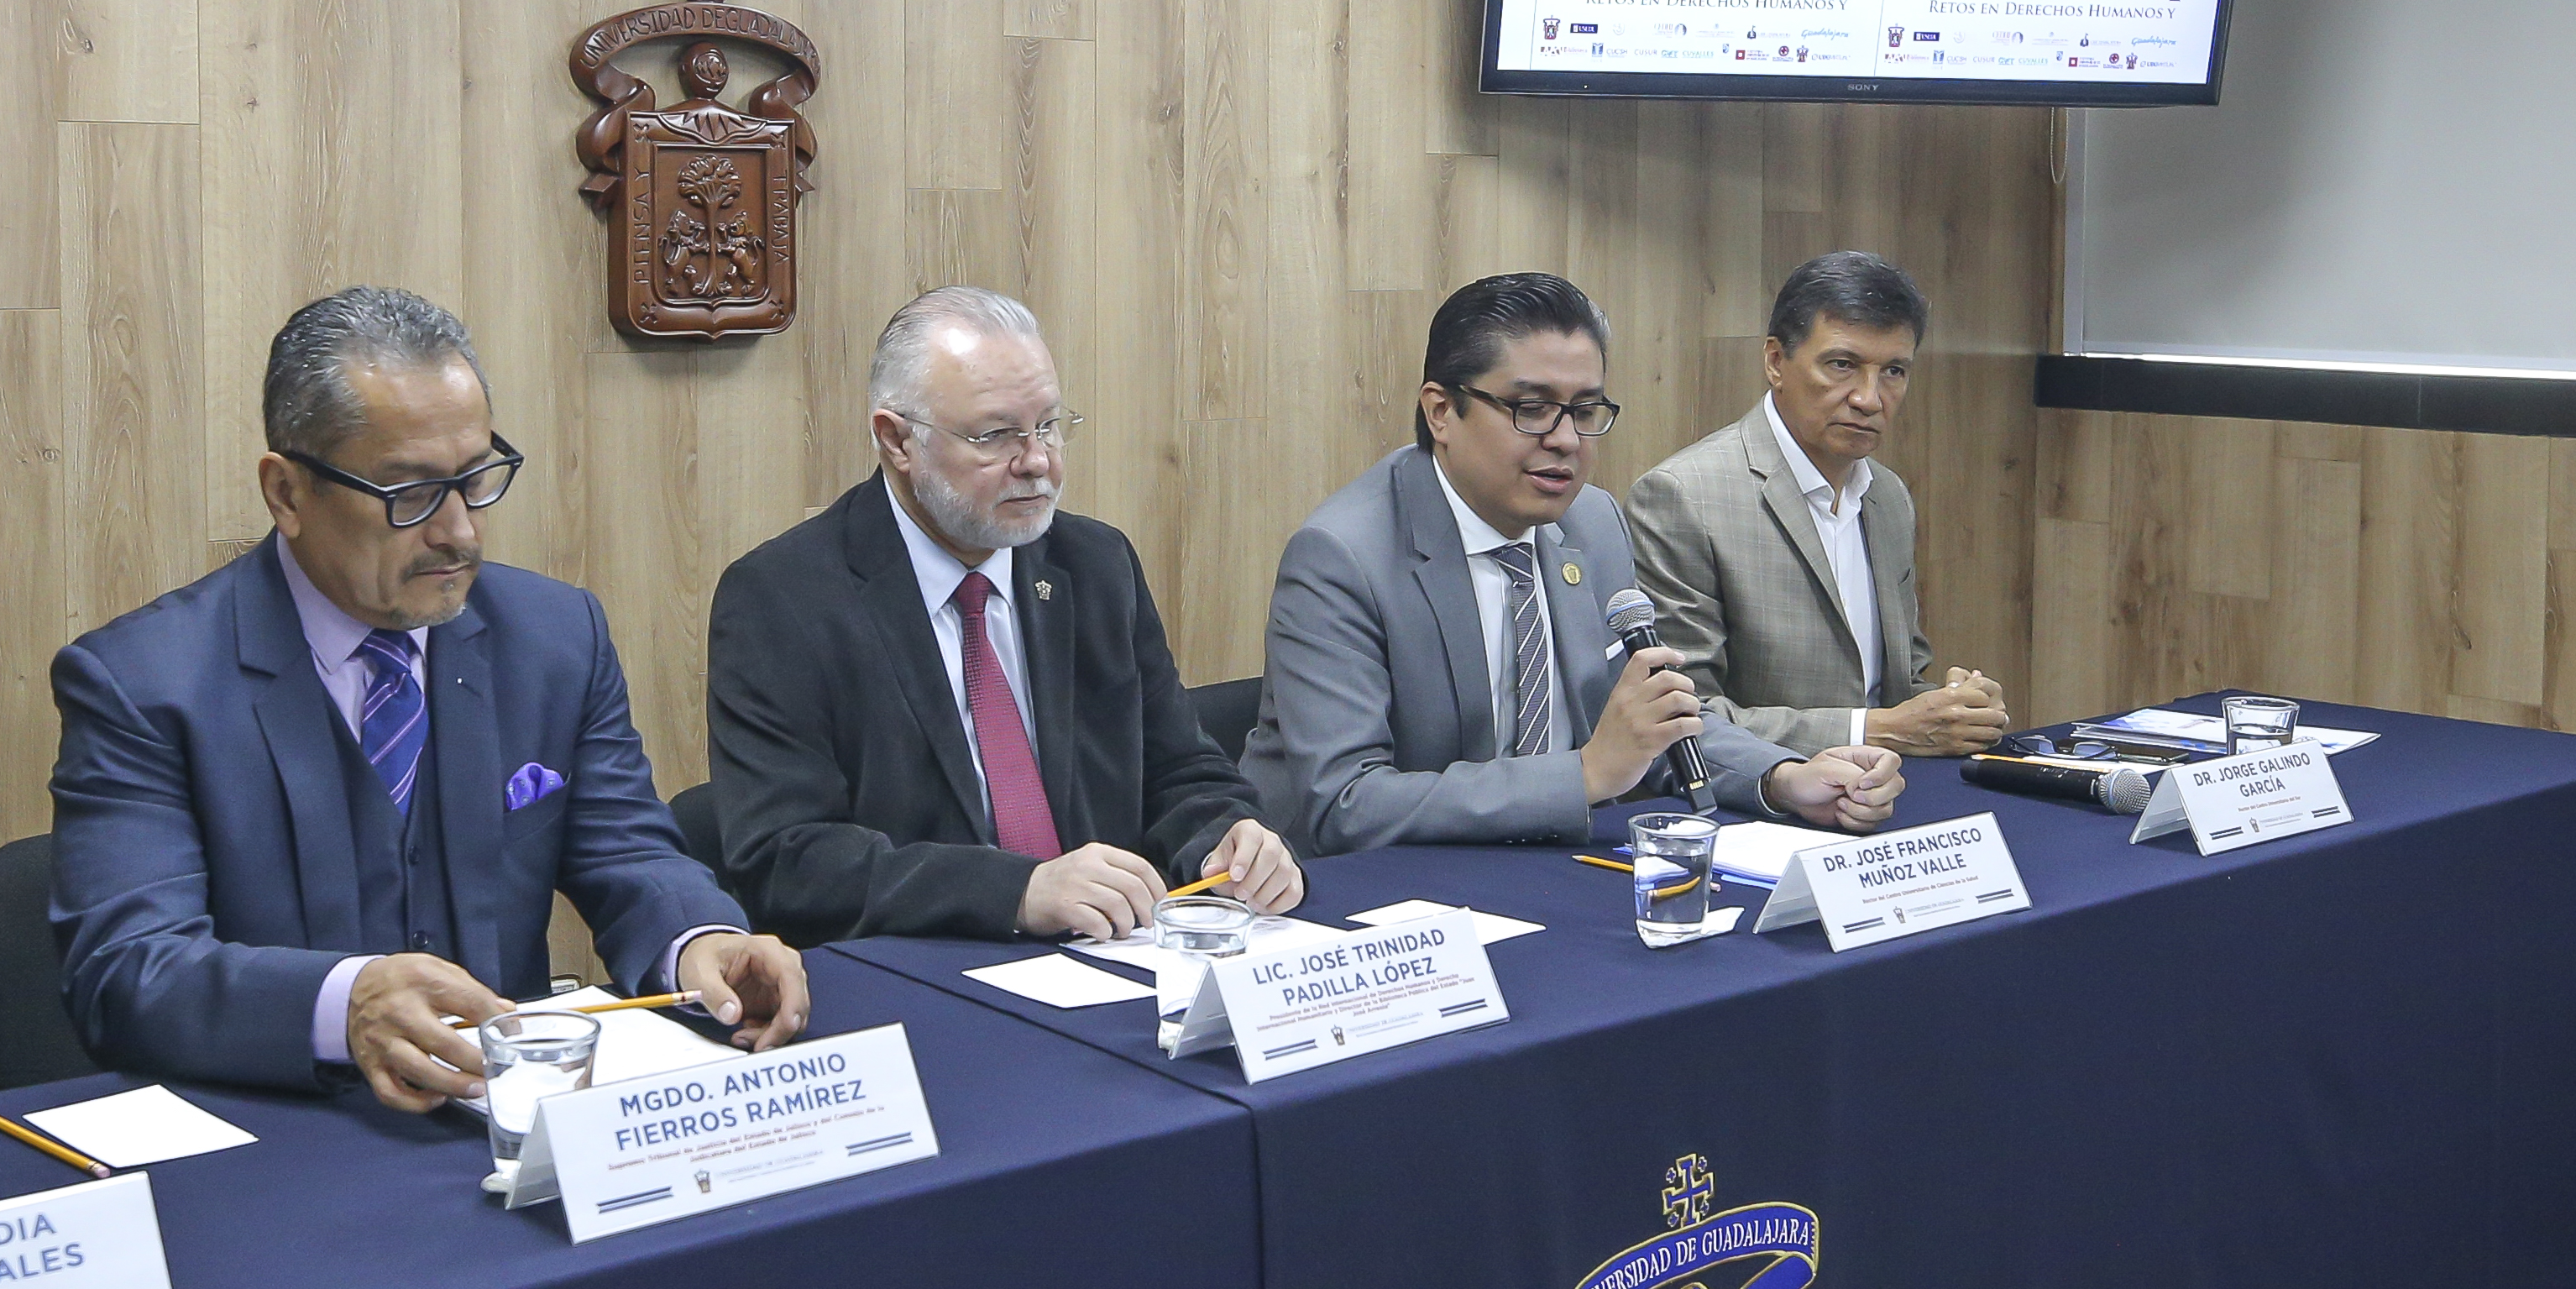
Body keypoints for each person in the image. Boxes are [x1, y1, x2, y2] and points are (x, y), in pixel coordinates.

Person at [50, 287, 804, 1109]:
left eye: (477, 478)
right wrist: (343, 1006)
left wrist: (701, 938)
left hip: (503, 1117)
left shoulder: (553, 637)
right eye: (409, 495)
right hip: (272, 1130)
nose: (461, 533)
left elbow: (626, 849)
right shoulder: (145, 683)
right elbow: (128, 971)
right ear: (287, 494)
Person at [707, 287, 1304, 946]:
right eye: (995, 436)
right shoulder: (782, 601)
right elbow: (786, 859)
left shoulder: (1094, 565)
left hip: (1114, 963)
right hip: (923, 980)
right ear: (896, 440)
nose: (1039, 462)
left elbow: (1179, 771)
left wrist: (1230, 841)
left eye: (1048, 425)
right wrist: (1017, 893)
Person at [1240, 273, 1905, 854]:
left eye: (1585, 411)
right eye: (1531, 410)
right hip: (1377, 902)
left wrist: (1783, 778)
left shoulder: (1593, 522)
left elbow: (1654, 722)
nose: (1564, 440)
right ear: (1442, 411)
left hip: (1549, 868)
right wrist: (1584, 775)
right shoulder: (1343, 557)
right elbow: (1344, 804)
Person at [1625, 251, 2010, 757]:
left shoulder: (1888, 496)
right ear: (1775, 362)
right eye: (1843, 365)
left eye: (1894, 371)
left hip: (1883, 790)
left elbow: (1899, 687)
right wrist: (1874, 730)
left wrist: (1956, 707)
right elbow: (1685, 715)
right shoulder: (1682, 497)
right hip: (1759, 805)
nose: (1870, 399)